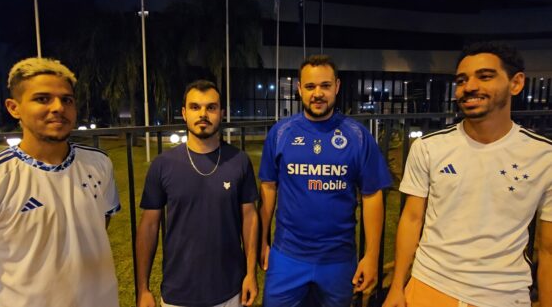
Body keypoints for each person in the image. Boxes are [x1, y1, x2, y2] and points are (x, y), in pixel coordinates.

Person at [383, 42, 552, 307]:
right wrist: (397, 286)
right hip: (429, 285)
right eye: (462, 80)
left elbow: (548, 249)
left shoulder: (544, 156)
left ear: (516, 83)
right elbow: (412, 219)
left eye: (485, 76)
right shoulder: (429, 147)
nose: (470, 86)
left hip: (504, 294)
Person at [0, 57, 121, 306]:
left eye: (66, 99)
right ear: (14, 107)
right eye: (42, 99)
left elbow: (101, 221)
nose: (58, 107)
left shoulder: (99, 164)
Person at [259, 55, 392, 307]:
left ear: (337, 87)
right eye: (310, 86)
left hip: (338, 260)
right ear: (299, 89)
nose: (317, 93)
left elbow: (372, 195)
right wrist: (262, 242)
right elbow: (268, 187)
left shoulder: (358, 136)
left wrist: (372, 255)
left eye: (325, 86)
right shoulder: (281, 133)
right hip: (287, 256)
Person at [136, 80, 259, 307]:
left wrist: (251, 273)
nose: (203, 114)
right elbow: (149, 226)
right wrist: (143, 288)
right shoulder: (163, 164)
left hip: (230, 291)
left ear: (222, 113)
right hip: (178, 292)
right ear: (184, 113)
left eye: (211, 107)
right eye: (195, 107)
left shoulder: (239, 161)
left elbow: (250, 217)